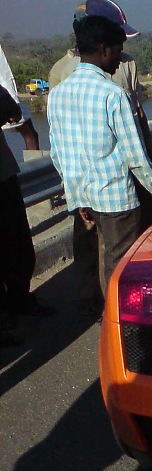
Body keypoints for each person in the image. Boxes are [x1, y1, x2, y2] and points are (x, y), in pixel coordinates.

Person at [47, 15, 152, 300]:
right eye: (118, 52)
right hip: (118, 200)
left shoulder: (56, 94)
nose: (120, 61)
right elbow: (136, 156)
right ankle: (122, 325)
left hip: (86, 199)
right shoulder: (112, 94)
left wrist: (75, 196)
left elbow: (59, 153)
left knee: (97, 258)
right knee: (120, 267)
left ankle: (104, 313)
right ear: (103, 49)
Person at [0, 84, 53, 337]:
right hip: (4, 176)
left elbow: (12, 110)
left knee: (19, 244)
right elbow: (10, 111)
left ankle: (17, 302)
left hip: (4, 175)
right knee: (15, 243)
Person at [0, 43, 40, 152]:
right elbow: (4, 76)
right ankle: (34, 166)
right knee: (30, 134)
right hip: (6, 101)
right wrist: (13, 104)